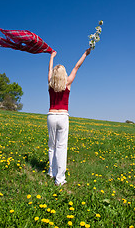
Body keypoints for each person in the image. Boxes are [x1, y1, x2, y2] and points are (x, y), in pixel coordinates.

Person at [47, 48, 91, 186]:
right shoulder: (68, 83)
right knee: (61, 147)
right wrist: (85, 53)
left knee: (52, 146)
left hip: (51, 116)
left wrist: (52, 57)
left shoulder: (50, 83)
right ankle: (59, 179)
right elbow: (76, 67)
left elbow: (49, 70)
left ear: (54, 74)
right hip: (63, 116)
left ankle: (51, 172)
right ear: (63, 74)